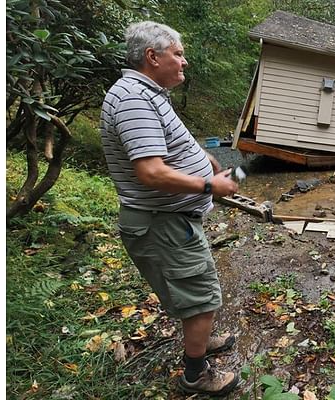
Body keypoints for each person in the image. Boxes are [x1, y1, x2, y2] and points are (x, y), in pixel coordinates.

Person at [99, 21, 241, 396]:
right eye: (177, 53)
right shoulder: (133, 99)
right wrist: (210, 184)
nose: (184, 62)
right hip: (162, 224)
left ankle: (201, 338)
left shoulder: (147, 93)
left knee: (196, 293)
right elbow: (150, 171)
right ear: (152, 56)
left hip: (170, 222)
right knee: (201, 298)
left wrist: (204, 157)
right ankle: (196, 375)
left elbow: (166, 144)